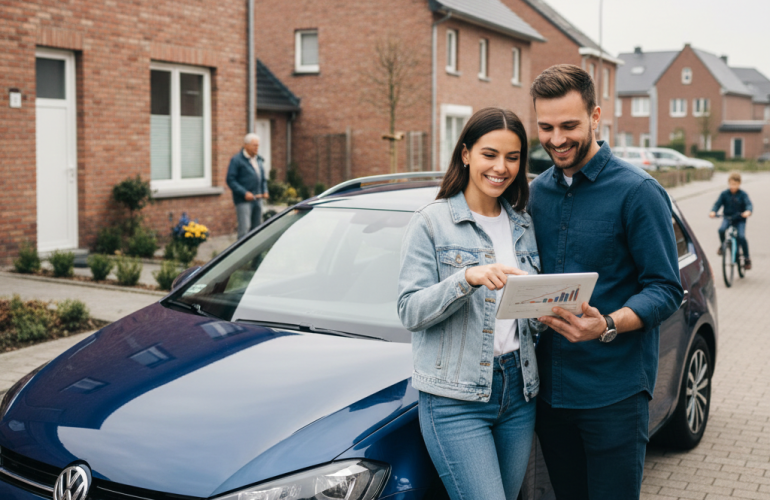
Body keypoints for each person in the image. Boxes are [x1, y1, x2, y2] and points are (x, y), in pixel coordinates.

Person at [527, 65, 683, 499]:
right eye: (546, 127)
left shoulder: (638, 192)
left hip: (613, 395)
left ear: (596, 117)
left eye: (569, 125)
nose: (556, 139)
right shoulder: (536, 193)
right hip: (550, 396)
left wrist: (608, 324)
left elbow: (667, 288)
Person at [398, 107, 545, 500]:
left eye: (512, 157)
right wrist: (465, 278)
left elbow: (527, 317)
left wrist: (551, 307)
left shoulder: (523, 225)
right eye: (489, 154)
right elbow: (410, 311)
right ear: (465, 154)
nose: (501, 167)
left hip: (518, 390)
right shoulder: (432, 221)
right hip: (455, 399)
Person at [226, 133, 269, 239]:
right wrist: (244, 193)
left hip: (258, 200)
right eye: (254, 145)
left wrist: (265, 190)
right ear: (246, 145)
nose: (257, 148)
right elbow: (230, 180)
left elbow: (263, 178)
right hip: (243, 201)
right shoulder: (236, 160)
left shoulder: (258, 159)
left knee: (257, 229)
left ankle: (256, 255)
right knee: (244, 230)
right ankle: (241, 254)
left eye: (258, 145)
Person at [710, 171, 753, 270]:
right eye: (731, 184)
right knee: (721, 230)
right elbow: (717, 204)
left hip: (740, 219)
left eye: (735, 184)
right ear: (728, 183)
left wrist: (748, 211)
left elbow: (748, 204)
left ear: (739, 184)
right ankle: (723, 246)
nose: (733, 186)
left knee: (741, 237)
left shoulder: (743, 194)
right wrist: (713, 211)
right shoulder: (724, 194)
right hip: (727, 217)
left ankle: (746, 258)